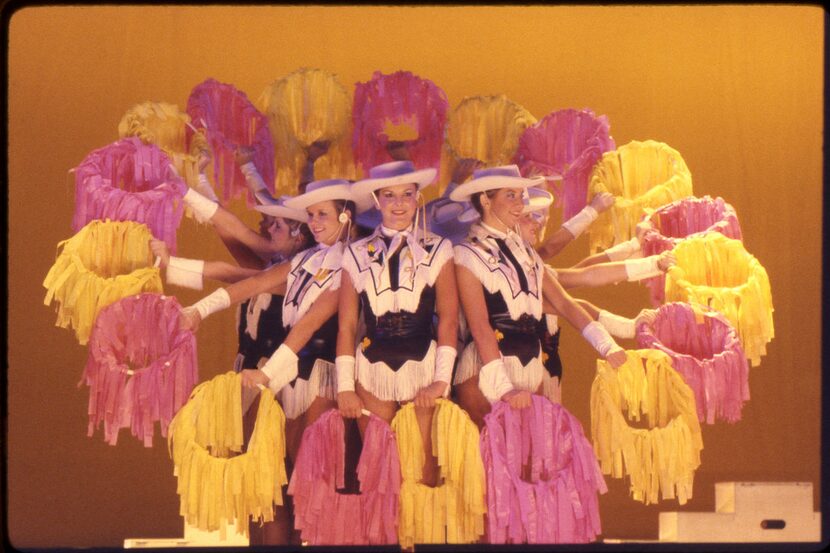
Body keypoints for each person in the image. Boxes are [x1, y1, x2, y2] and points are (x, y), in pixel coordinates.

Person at [179, 178, 358, 544]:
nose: (315, 222)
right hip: (288, 377)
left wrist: (267, 373)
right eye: (311, 215)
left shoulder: (355, 260)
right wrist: (198, 310)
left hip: (323, 374)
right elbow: (251, 284)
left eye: (322, 214)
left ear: (345, 215)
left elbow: (309, 324)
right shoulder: (304, 260)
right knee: (274, 484)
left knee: (311, 484)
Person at [448, 165, 627, 428]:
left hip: (531, 365)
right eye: (510, 195)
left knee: (530, 463)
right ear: (486, 200)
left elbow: (565, 302)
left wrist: (606, 345)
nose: (521, 204)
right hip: (485, 372)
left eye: (521, 196)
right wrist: (505, 388)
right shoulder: (467, 254)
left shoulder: (527, 253)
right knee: (491, 462)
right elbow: (480, 326)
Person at [335, 159, 458, 487]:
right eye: (389, 195)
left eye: (407, 194)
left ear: (418, 197)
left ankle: (425, 538)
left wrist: (441, 381)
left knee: (424, 469)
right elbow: (347, 325)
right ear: (377, 200)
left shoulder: (438, 248)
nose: (399, 203)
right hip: (372, 368)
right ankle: (387, 539)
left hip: (423, 366)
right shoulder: (356, 253)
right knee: (379, 471)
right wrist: (345, 387)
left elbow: (448, 318)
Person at [516, 186, 672, 402]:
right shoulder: (516, 264)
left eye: (542, 215)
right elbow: (576, 277)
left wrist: (634, 246)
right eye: (530, 216)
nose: (539, 222)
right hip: (516, 363)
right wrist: (653, 264)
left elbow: (581, 271)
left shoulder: (526, 259)